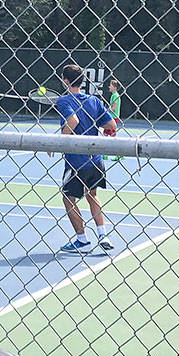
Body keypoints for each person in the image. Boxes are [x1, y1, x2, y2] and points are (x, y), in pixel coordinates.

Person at [54, 63, 114, 253]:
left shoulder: (65, 101)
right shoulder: (94, 101)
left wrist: (58, 142)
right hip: (96, 160)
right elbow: (111, 124)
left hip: (76, 162)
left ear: (65, 81)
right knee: (92, 195)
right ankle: (103, 234)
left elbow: (73, 121)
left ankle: (82, 239)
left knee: (68, 198)